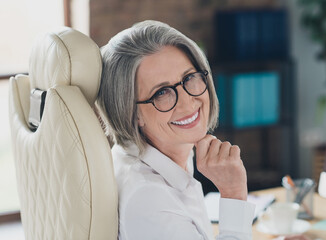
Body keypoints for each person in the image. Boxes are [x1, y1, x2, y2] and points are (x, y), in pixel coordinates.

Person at [96, 20, 310, 240]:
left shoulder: (165, 154)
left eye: (189, 78)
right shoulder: (148, 197)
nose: (188, 102)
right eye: (162, 92)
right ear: (130, 112)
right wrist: (233, 193)